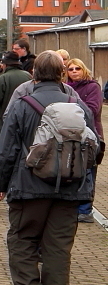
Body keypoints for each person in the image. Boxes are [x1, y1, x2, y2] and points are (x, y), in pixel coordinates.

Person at [0, 51, 97, 285]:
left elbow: (6, 149)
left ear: (34, 74)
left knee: (23, 237)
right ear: (62, 74)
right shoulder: (78, 102)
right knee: (58, 246)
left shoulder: (23, 103)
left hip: (29, 184)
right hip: (71, 188)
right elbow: (94, 146)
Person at [64, 58, 103, 223]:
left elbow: (92, 109)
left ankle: (86, 209)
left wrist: (70, 109)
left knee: (88, 171)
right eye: (71, 69)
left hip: (90, 134)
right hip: (69, 134)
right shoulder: (65, 88)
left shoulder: (92, 86)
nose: (74, 71)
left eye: (77, 68)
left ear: (83, 69)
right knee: (71, 169)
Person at [0, 52, 31, 142]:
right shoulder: (28, 76)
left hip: (5, 118)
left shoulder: (2, 78)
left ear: (5, 64)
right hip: (25, 117)